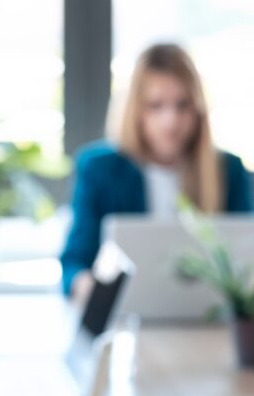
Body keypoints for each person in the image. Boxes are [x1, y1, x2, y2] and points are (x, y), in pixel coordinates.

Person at [60, 43, 252, 299]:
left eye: (182, 105)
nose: (170, 121)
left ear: (198, 109)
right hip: (126, 325)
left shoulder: (229, 171)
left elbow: (246, 257)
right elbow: (74, 263)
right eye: (156, 105)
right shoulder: (99, 169)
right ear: (136, 110)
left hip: (210, 327)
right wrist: (89, 290)